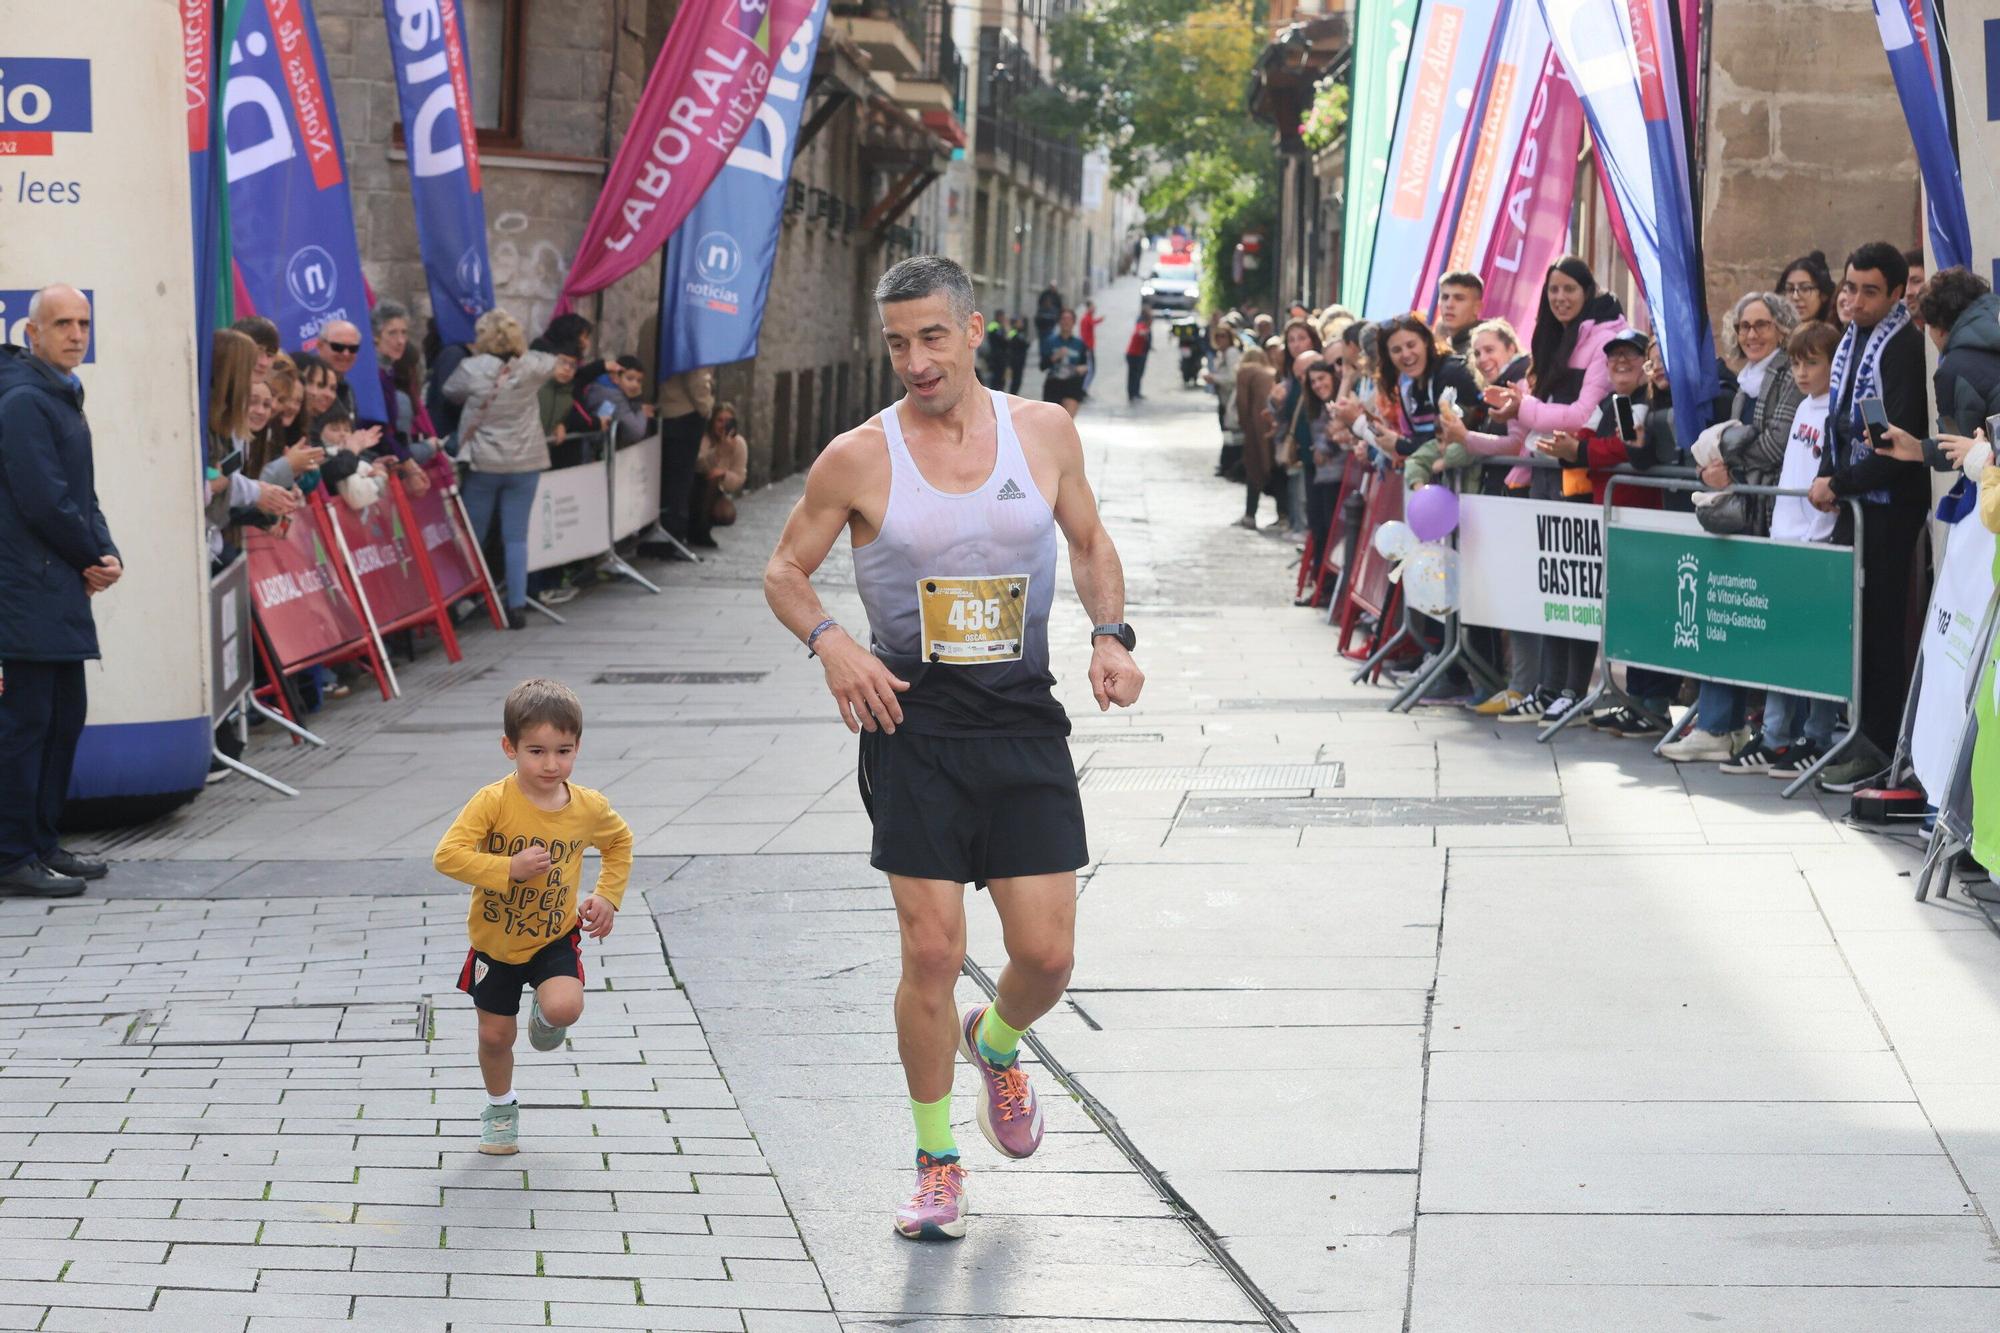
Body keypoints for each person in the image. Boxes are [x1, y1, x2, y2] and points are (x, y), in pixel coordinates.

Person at [762, 255, 1144, 1242]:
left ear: (975, 330)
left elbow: (1092, 541)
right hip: (913, 723)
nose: (915, 359)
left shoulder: (1043, 432)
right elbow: (783, 569)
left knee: (1047, 955)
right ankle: (935, 1163)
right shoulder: (857, 455)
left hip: (1019, 717)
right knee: (931, 950)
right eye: (897, 342)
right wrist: (831, 641)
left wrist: (1110, 635)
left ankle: (999, 1039)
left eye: (932, 336)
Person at [433, 678, 633, 1156]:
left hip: (553, 937)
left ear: (578, 747)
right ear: (510, 748)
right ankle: (500, 1108)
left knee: (565, 1006)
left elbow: (619, 842)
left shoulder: (588, 806)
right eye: (536, 751)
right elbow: (448, 855)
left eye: (563, 751)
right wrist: (508, 868)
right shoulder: (494, 802)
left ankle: (547, 1016)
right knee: (494, 1036)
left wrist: (607, 896)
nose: (551, 764)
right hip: (495, 945)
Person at [1449, 257, 1629, 723]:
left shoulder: (1604, 339)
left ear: (1587, 291)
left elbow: (1579, 414)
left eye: (1569, 289)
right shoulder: (1549, 340)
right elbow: (1524, 432)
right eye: (1553, 291)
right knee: (1552, 586)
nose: (1561, 298)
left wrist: (1523, 406)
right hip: (1544, 475)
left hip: (1578, 480)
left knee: (1576, 588)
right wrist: (1474, 433)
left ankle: (1573, 687)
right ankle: (1549, 688)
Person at [0, 285, 120, 895]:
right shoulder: (23, 399)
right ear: (34, 332)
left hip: (58, 584)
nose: (76, 333)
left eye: (84, 322)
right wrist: (88, 556)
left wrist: (105, 552)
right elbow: (42, 497)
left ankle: (42, 844)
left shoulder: (61, 394)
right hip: (25, 589)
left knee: (62, 718)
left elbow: (82, 492)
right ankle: (11, 855)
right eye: (63, 323)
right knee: (26, 725)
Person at [1658, 290, 1803, 761]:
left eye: (1761, 325)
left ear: (1782, 327)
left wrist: (1724, 452)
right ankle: (1722, 726)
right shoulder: (1747, 381)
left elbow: (1779, 445)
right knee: (1723, 618)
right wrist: (1722, 463)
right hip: (1749, 513)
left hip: (1773, 516)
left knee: (1746, 625)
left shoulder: (1788, 375)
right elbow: (1753, 445)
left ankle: (1728, 727)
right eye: (1744, 326)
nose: (1752, 334)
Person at [1808, 241, 1930, 785]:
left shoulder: (1901, 345)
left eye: (1870, 291)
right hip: (1852, 502)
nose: (1855, 301)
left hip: (1885, 509)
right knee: (1854, 629)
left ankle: (1879, 745)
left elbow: (1894, 444)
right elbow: (1842, 420)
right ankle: (1858, 733)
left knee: (1882, 632)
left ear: (1899, 293)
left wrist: (1840, 482)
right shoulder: (1853, 338)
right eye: (1850, 288)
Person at [1716, 320, 1845, 776]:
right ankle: (1773, 738)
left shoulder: (1835, 410)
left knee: (1814, 647)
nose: (1803, 372)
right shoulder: (1807, 408)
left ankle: (1816, 734)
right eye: (1796, 363)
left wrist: (1816, 531)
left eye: (1813, 362)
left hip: (1816, 541)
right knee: (1781, 645)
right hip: (1786, 535)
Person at [446, 309, 562, 628]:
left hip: (485, 462)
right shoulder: (534, 365)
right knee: (516, 536)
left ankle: (462, 599)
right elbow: (554, 364)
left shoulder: (470, 368)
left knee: (474, 534)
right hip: (526, 461)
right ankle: (516, 606)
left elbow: (450, 392)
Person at [650, 365, 712, 557]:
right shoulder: (693, 336)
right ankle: (671, 539)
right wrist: (707, 406)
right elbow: (696, 377)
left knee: (666, 480)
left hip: (667, 410)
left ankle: (660, 539)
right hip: (685, 413)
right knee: (679, 482)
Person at [690, 402, 749, 549]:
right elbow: (699, 465)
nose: (723, 425)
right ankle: (699, 530)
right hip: (696, 487)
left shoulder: (739, 443)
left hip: (718, 491)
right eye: (720, 420)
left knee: (726, 513)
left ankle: (704, 527)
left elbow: (739, 478)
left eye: (728, 421)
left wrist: (724, 474)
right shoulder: (705, 439)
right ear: (713, 422)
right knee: (710, 479)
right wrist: (719, 452)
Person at [1234, 345, 1277, 529]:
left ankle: (1250, 514)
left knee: (1254, 470)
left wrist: (1244, 426)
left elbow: (1242, 404)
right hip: (1272, 425)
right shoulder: (1271, 373)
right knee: (1275, 469)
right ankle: (1283, 514)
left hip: (1255, 426)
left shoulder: (1244, 373)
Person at [1204, 325, 1244, 476]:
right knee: (1226, 432)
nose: (1220, 339)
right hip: (1223, 399)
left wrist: (1214, 378)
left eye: (1223, 336)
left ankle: (1229, 464)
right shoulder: (1221, 354)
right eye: (1217, 336)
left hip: (1230, 400)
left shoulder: (1232, 353)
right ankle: (1227, 464)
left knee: (1230, 432)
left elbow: (1233, 377)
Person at [1039, 309, 1088, 416]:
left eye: (1069, 319)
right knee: (1052, 422)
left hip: (1072, 384)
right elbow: (1042, 366)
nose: (1066, 322)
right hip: (1053, 384)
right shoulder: (1050, 341)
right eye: (1063, 319)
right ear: (1059, 321)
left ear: (1074, 322)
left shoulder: (1079, 344)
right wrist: (1055, 357)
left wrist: (1081, 369)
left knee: (1067, 421)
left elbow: (1085, 365)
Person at [1778, 252, 1839, 328]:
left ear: (1823, 294)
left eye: (1805, 289)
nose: (1795, 297)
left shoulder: (1836, 337)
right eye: (1790, 289)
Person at [1435, 271, 1486, 355]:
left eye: (1459, 298)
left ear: (1477, 307)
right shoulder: (1441, 351)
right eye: (1445, 297)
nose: (1449, 305)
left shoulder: (1486, 347)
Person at [1126, 306, 1153, 403]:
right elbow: (1139, 331)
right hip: (1133, 354)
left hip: (1138, 354)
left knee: (1137, 375)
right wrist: (1144, 333)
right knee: (1132, 375)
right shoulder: (1141, 324)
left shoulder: (1145, 326)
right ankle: (1131, 394)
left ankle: (1135, 393)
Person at [1078, 299, 1100, 390]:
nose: (1094, 308)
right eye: (1093, 307)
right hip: (1087, 347)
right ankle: (1083, 389)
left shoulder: (1088, 318)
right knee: (1090, 370)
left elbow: (1093, 322)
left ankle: (1084, 389)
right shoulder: (1086, 318)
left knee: (1091, 370)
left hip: (1089, 347)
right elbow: (1083, 335)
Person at [1006, 316, 1031, 394]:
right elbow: (1025, 344)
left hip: (1018, 359)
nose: (1021, 324)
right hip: (1016, 360)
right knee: (1016, 380)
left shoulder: (1019, 333)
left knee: (1017, 380)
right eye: (1019, 322)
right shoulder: (1015, 333)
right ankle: (1013, 394)